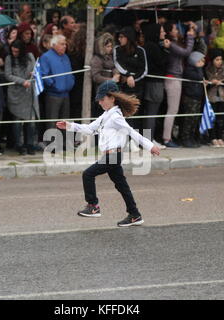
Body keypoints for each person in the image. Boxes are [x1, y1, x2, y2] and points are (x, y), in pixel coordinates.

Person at [56, 80, 160, 227]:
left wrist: (150, 146)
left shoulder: (115, 116)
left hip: (113, 156)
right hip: (110, 156)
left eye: (102, 99)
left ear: (112, 98)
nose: (100, 102)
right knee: (122, 186)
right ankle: (135, 215)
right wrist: (69, 125)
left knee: (88, 174)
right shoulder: (106, 115)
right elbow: (89, 129)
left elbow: (131, 132)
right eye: (99, 99)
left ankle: (93, 206)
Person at [162, 21, 195, 148]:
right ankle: (166, 138)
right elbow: (186, 52)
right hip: (173, 78)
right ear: (169, 31)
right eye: (175, 29)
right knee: (172, 110)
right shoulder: (170, 44)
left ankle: (168, 136)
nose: (177, 31)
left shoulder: (173, 42)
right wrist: (190, 37)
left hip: (176, 78)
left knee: (173, 109)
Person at [113, 26, 147, 142]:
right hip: (124, 86)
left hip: (137, 86)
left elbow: (144, 69)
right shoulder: (117, 49)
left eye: (122, 37)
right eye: (119, 37)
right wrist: (127, 75)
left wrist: (134, 77)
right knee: (125, 113)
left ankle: (135, 140)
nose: (120, 39)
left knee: (136, 113)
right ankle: (125, 140)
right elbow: (118, 64)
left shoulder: (140, 50)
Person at [5, 40, 39, 155]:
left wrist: (34, 74)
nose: (15, 53)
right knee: (17, 121)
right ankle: (19, 145)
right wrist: (22, 81)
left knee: (31, 120)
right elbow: (8, 75)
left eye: (17, 52)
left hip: (29, 92)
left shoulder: (29, 56)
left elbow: (36, 69)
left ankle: (30, 144)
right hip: (16, 93)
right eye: (13, 51)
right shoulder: (9, 58)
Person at [142, 23, 170, 149]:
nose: (164, 34)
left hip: (151, 82)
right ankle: (149, 140)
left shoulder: (148, 46)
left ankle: (149, 138)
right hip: (155, 83)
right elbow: (162, 63)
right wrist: (166, 49)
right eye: (162, 32)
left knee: (151, 111)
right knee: (152, 112)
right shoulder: (153, 47)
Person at [39, 35, 75, 134]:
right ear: (54, 45)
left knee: (64, 121)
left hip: (66, 94)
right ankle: (52, 144)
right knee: (52, 121)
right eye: (62, 44)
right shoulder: (46, 57)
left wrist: (71, 82)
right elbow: (44, 75)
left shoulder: (65, 57)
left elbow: (70, 73)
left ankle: (63, 144)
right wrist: (53, 85)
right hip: (53, 95)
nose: (64, 46)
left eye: (65, 44)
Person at [205, 48, 224, 148]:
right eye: (217, 59)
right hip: (212, 96)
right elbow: (206, 81)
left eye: (220, 59)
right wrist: (212, 81)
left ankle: (220, 137)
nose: (219, 62)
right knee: (212, 118)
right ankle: (213, 138)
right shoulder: (207, 69)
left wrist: (222, 82)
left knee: (221, 119)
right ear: (212, 60)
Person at [90, 33, 119, 117]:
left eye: (111, 46)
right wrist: (111, 80)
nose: (110, 48)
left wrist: (115, 72)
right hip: (101, 92)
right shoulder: (97, 59)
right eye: (108, 46)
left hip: (111, 91)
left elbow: (114, 66)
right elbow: (96, 77)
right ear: (102, 47)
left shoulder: (110, 56)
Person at [180, 51, 205, 148]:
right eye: (200, 60)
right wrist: (198, 67)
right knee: (189, 119)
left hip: (198, 97)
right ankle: (185, 138)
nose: (202, 63)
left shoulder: (197, 69)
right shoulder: (189, 70)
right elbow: (199, 77)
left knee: (195, 119)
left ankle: (191, 137)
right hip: (190, 98)